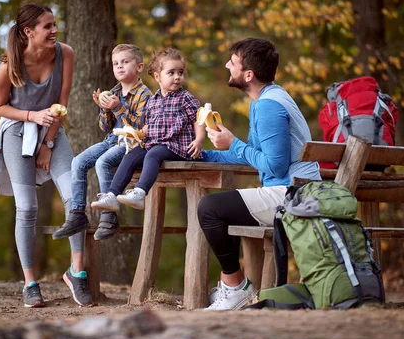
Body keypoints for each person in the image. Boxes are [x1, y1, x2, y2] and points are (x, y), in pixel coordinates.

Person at [197, 38, 321, 311]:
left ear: (249, 75)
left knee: (210, 208)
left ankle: (235, 289)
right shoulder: (264, 100)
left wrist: (234, 144)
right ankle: (233, 288)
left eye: (234, 62)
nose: (228, 64)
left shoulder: (268, 106)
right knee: (221, 206)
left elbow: (274, 166)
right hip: (289, 190)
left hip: (294, 195)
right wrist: (201, 155)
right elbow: (252, 153)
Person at [0, 3, 91, 308]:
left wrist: (48, 144)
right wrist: (32, 116)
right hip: (16, 135)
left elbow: (62, 101)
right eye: (48, 26)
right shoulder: (10, 65)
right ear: (29, 32)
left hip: (53, 133)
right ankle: (30, 283)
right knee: (27, 208)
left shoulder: (65, 53)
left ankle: (76, 272)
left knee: (75, 198)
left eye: (55, 24)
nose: (54, 31)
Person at [52, 44, 151, 241]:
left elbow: (140, 128)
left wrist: (117, 108)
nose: (120, 67)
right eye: (116, 64)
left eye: (125, 62)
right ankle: (78, 214)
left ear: (139, 67)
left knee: (102, 162)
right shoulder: (113, 91)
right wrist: (105, 109)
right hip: (111, 139)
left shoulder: (144, 95)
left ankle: (109, 215)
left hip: (130, 144)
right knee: (78, 162)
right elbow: (105, 128)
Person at [91, 47, 206, 212]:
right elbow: (148, 125)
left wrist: (199, 140)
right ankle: (111, 195)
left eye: (180, 72)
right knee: (131, 154)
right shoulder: (153, 100)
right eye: (171, 73)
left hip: (177, 146)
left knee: (153, 154)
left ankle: (139, 192)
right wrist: (139, 133)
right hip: (154, 143)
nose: (177, 77)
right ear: (158, 77)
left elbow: (198, 119)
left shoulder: (185, 97)